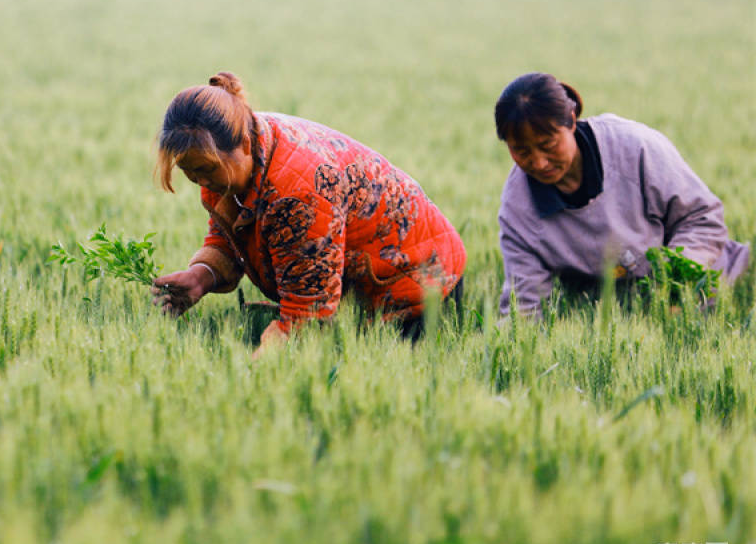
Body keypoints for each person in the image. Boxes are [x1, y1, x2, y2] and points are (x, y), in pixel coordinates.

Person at [152, 71, 467, 357]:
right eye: (188, 172)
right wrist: (202, 275)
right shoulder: (235, 145)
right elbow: (233, 233)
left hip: (419, 288)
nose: (201, 182)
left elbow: (309, 314)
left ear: (244, 145)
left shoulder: (297, 192)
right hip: (369, 289)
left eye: (205, 170)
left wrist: (254, 372)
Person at [494, 72, 749, 316]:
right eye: (521, 151)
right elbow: (524, 306)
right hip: (615, 320)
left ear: (571, 121)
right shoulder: (518, 208)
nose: (538, 163)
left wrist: (673, 288)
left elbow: (701, 218)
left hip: (715, 287)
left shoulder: (635, 148)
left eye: (547, 145)